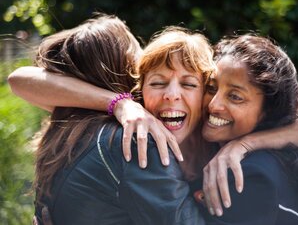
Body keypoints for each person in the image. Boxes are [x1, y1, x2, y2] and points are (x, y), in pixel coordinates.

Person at [29, 15, 214, 224]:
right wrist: (119, 102)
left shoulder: (77, 130)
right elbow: (20, 79)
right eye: (156, 81)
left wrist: (249, 143)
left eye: (188, 84)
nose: (171, 94)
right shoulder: (137, 141)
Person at [198, 34, 298, 224]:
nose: (214, 105)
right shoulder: (282, 156)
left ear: (267, 111)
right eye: (211, 88)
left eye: (235, 97)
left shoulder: (249, 173)